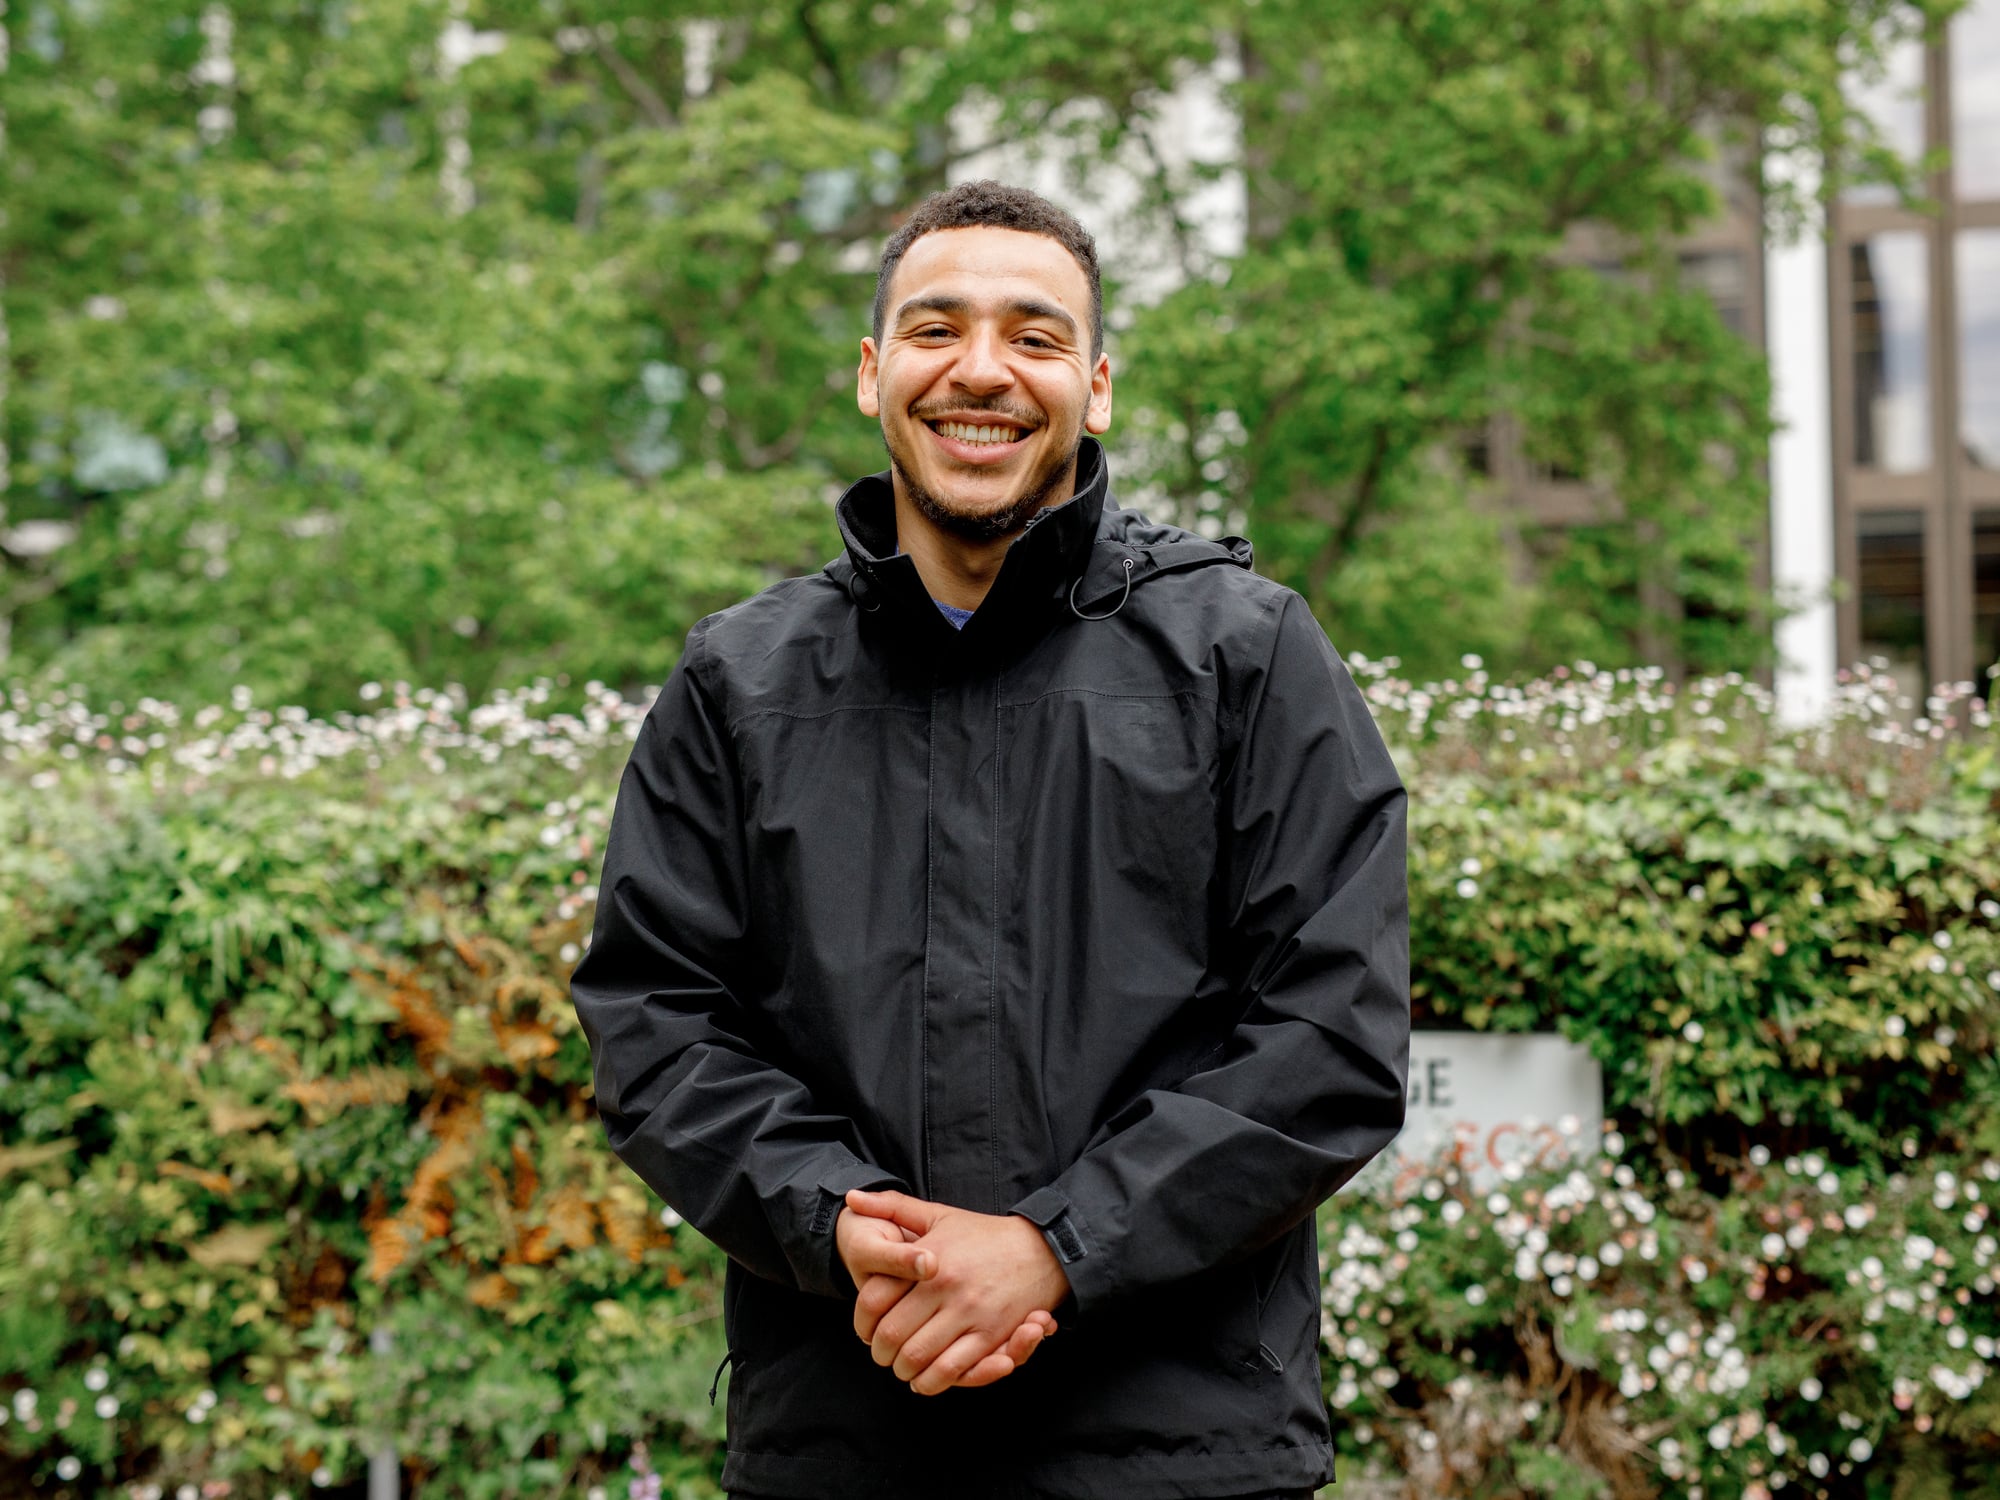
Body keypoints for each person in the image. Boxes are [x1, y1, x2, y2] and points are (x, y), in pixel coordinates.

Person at [569, 179, 1410, 1500]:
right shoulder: (742, 685)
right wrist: (838, 1220)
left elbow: (1331, 1038)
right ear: (871, 372)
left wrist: (1059, 1246)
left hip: (1182, 1459)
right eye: (934, 328)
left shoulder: (1246, 659)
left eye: (1033, 337)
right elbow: (654, 1020)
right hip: (843, 1444)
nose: (980, 372)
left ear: (1098, 384)